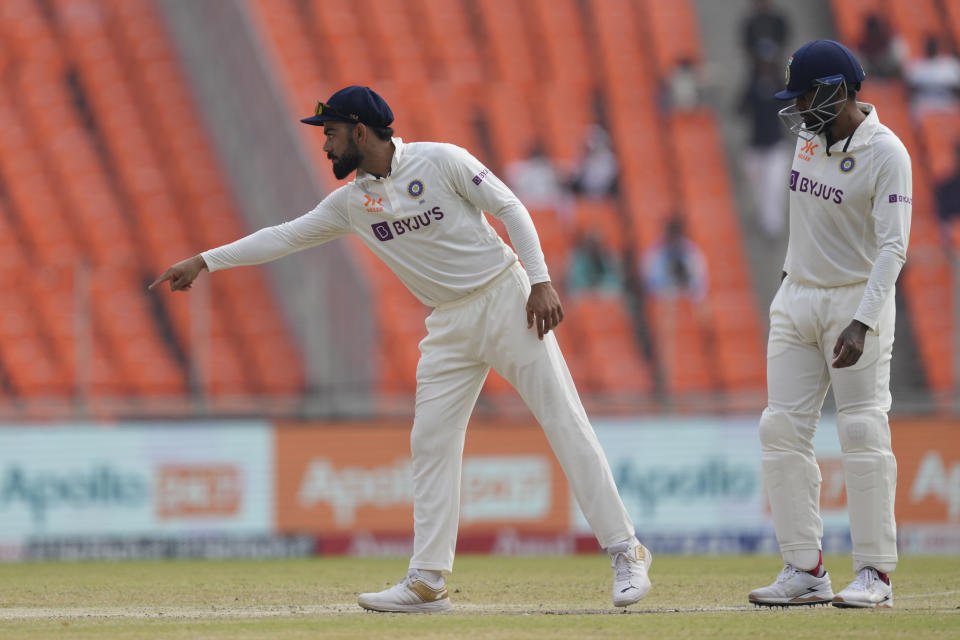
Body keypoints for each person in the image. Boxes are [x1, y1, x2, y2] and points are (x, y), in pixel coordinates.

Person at [149, 86, 652, 613]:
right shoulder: (351, 203)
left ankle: (626, 551)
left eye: (331, 133)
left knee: (563, 421)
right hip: (448, 324)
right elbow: (284, 236)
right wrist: (205, 260)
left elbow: (511, 207)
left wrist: (541, 281)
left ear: (359, 131)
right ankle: (429, 580)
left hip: (506, 298)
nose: (326, 146)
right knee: (431, 442)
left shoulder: (441, 160)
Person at [748, 40, 911, 609]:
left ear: (838, 91)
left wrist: (862, 322)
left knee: (862, 433)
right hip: (796, 297)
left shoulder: (887, 153)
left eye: (806, 94)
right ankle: (804, 568)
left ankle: (874, 575)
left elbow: (893, 249)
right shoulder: (809, 136)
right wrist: (791, 293)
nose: (797, 108)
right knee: (779, 430)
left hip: (854, 304)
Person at [739, 42, 792, 238]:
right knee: (757, 187)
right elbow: (740, 108)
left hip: (776, 144)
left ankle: (773, 226)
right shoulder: (752, 86)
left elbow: (791, 108)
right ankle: (763, 219)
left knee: (775, 185)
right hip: (756, 145)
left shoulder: (781, 87)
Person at [641, 216, 708, 303]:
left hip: (686, 296)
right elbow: (649, 283)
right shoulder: (655, 251)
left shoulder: (691, 251)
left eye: (677, 234)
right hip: (664, 297)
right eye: (672, 234)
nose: (674, 239)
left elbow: (700, 282)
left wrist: (687, 291)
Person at [905, 36, 960, 120]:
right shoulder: (916, 66)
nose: (931, 48)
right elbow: (910, 91)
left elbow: (956, 90)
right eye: (929, 46)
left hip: (948, 105)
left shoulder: (950, 65)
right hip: (924, 105)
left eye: (933, 46)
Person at [855, 13, 905, 80]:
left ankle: (899, 79)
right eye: (872, 28)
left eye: (875, 27)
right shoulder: (864, 40)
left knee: (898, 46)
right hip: (872, 69)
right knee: (857, 58)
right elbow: (860, 53)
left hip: (888, 65)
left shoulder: (887, 34)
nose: (874, 30)